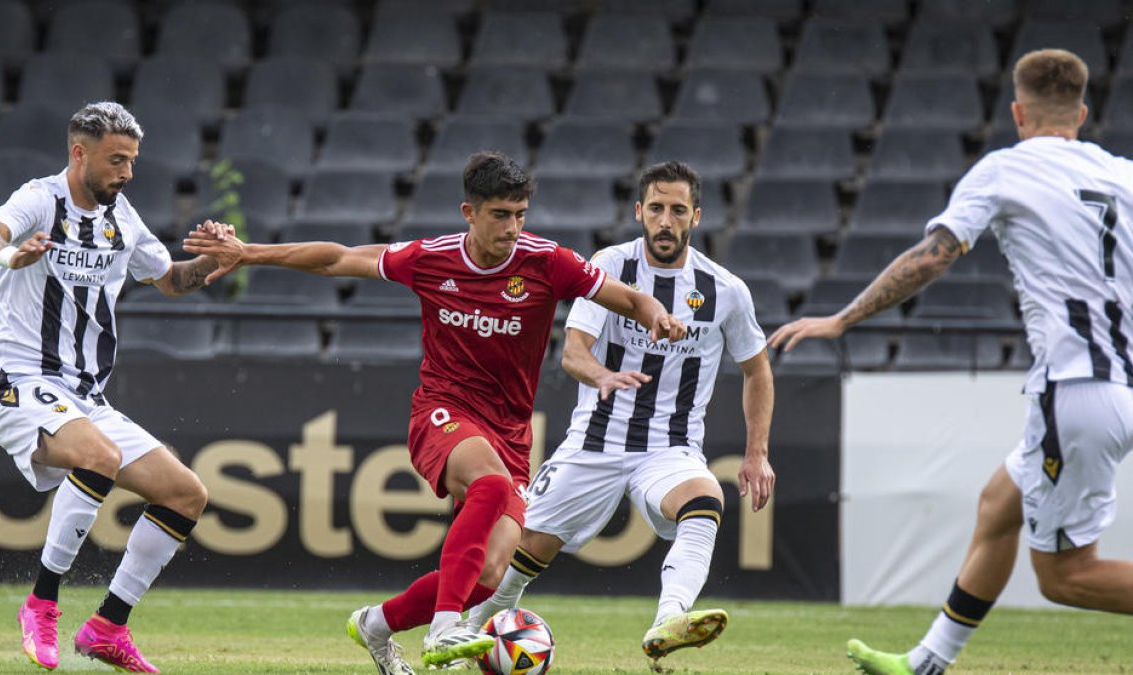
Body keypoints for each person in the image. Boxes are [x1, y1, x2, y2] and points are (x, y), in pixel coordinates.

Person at [182, 152, 687, 673]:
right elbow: (338, 258)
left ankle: (375, 624)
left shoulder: (548, 261)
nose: (512, 228)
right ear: (469, 213)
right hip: (443, 411)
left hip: (510, 433)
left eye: (520, 214)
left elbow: (625, 298)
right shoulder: (432, 257)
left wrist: (655, 312)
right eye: (500, 215)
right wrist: (249, 253)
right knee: (488, 487)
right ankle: (445, 631)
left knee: (489, 576)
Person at [768, 49, 1133, 675]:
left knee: (1066, 576)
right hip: (1117, 387)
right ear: (1084, 112)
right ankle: (928, 661)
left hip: (1073, 389)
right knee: (999, 503)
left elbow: (933, 256)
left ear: (1018, 112)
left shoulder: (1003, 171)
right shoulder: (1124, 175)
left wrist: (842, 319)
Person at [464, 161, 776, 666]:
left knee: (705, 499)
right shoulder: (610, 266)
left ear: (696, 217)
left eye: (678, 210)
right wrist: (602, 376)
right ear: (639, 212)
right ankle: (462, 637)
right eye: (656, 208)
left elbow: (757, 370)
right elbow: (573, 351)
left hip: (669, 448)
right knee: (514, 559)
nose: (666, 221)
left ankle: (670, 618)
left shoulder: (725, 291)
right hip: (594, 442)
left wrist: (756, 453)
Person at [0, 102, 215, 673]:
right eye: (116, 160)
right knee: (98, 458)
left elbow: (171, 279)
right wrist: (10, 253)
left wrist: (213, 263)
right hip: (19, 381)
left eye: (131, 161)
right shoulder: (40, 199)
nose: (126, 172)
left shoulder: (123, 218)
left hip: (86, 397)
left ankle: (107, 627)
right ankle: (41, 604)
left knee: (185, 494)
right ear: (79, 153)